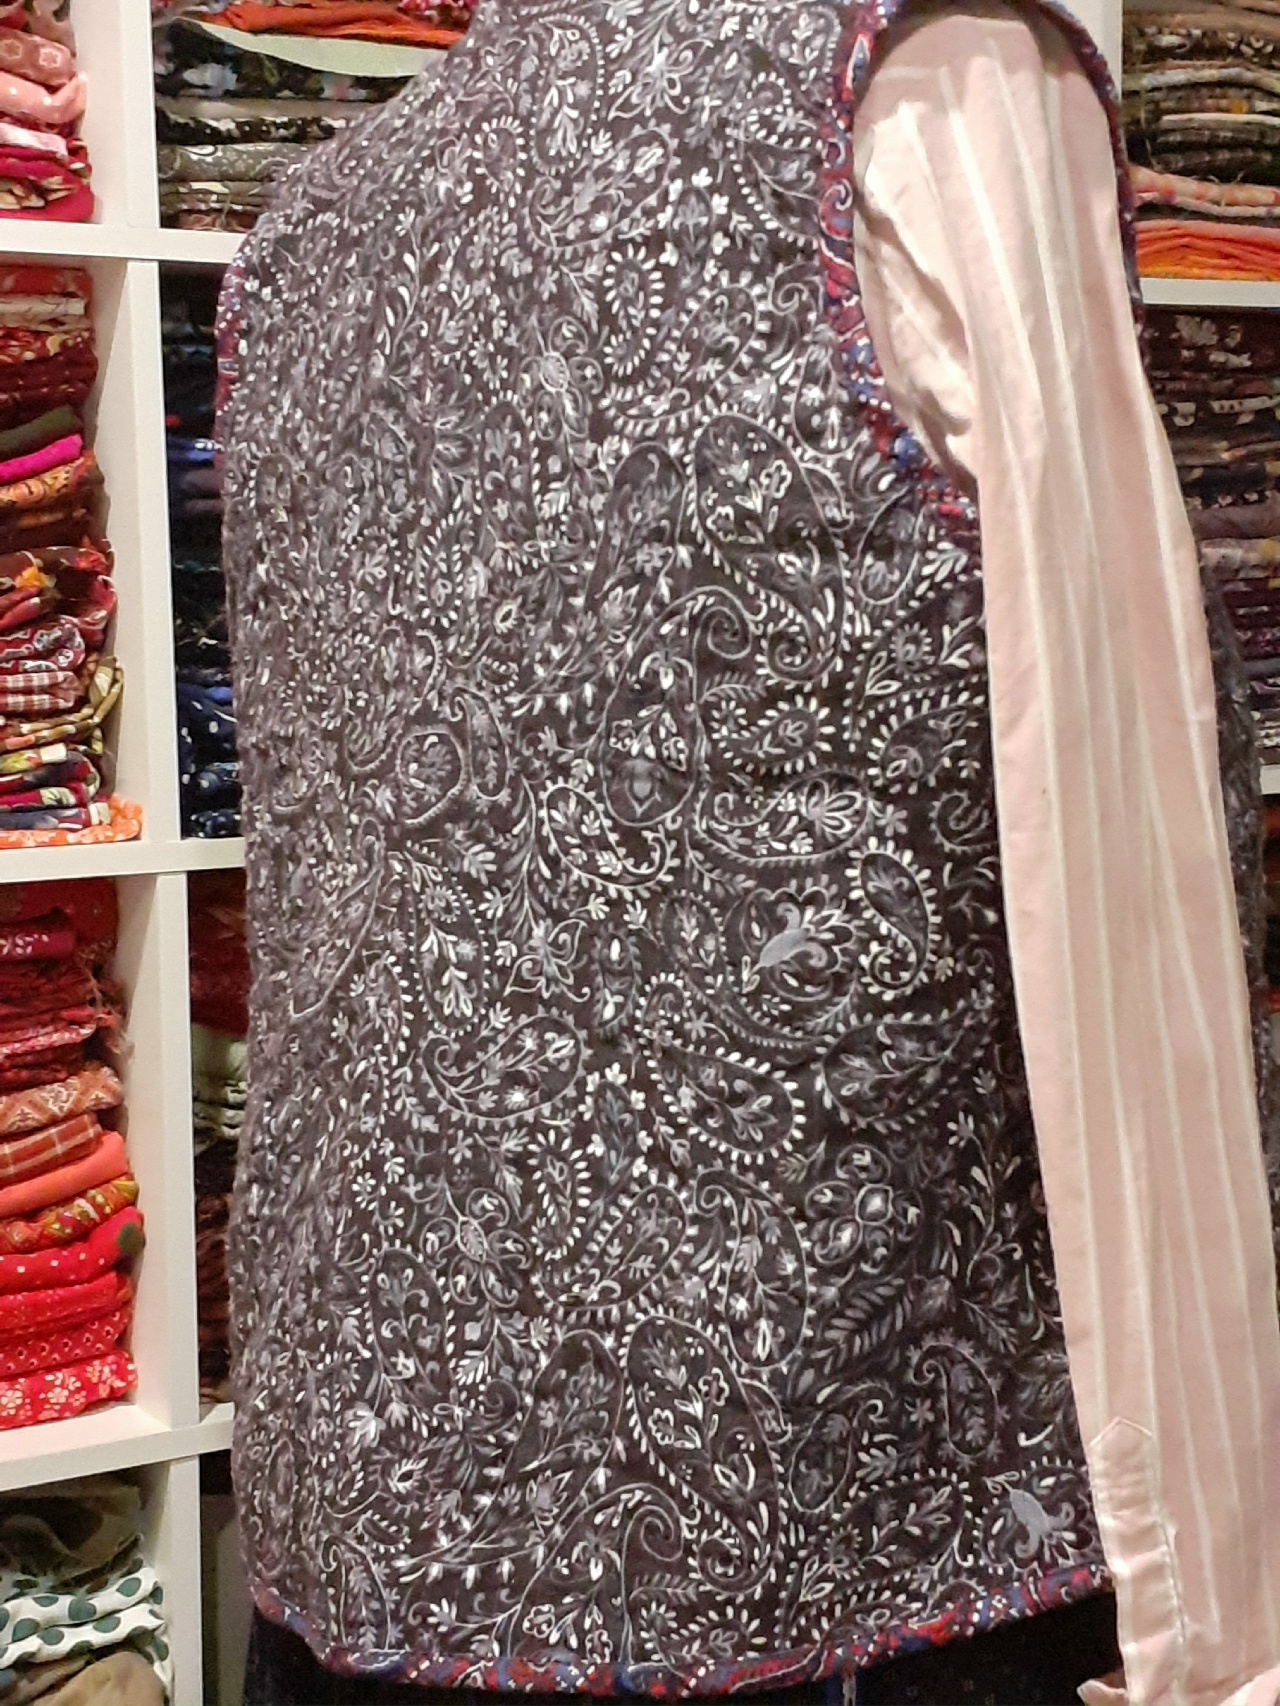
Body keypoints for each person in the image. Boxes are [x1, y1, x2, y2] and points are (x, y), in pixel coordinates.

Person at [217, 2, 1280, 1702]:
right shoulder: (924, 87)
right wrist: (1222, 1631)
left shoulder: (303, 237)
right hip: (853, 1584)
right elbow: (1126, 862)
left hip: (345, 1577)